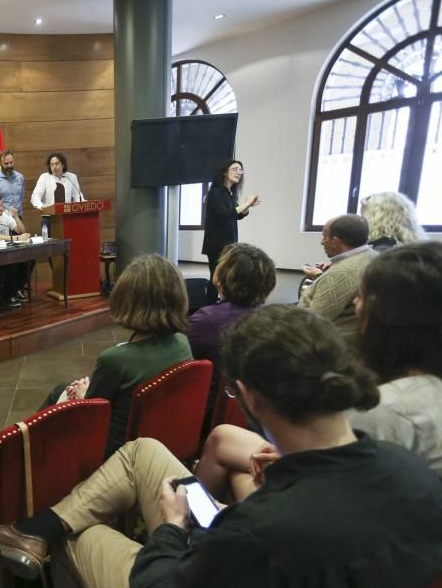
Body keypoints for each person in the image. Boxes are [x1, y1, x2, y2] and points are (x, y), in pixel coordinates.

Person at [0, 305, 442, 588]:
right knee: (143, 452)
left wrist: (169, 530)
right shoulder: (412, 473)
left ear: (250, 396)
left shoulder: (260, 531)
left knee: (85, 539)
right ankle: (33, 531)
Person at [198, 243, 442, 504]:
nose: (356, 305)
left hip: (333, 517)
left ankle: (201, 527)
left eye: (361, 296)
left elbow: (326, 496)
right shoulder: (420, 389)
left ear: (386, 316)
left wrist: (287, 465)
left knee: (239, 469)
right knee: (225, 438)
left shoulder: (387, 411)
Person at [41, 254, 192, 458]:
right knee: (60, 390)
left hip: (114, 452)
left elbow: (90, 417)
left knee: (61, 393)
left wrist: (83, 395)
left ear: (127, 300)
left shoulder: (114, 359)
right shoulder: (182, 343)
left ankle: (21, 451)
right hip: (159, 439)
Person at [188, 243, 276, 415]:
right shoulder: (272, 317)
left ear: (222, 277)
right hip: (255, 412)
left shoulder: (207, 320)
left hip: (209, 412)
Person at [302, 191, 426, 278]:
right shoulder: (410, 245)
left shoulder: (384, 249)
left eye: (363, 216)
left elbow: (358, 285)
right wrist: (335, 267)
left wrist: (320, 275)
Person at [298, 213, 376, 341]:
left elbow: (311, 323)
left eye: (324, 237)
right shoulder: (373, 256)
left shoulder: (340, 275)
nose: (322, 242)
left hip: (331, 345)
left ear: (336, 242)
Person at [201, 159, 260, 286]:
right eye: (235, 169)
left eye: (240, 170)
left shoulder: (230, 194)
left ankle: (223, 303)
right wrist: (246, 203)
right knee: (216, 278)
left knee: (227, 278)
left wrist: (248, 206)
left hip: (229, 243)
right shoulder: (215, 193)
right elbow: (225, 214)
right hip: (217, 244)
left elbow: (237, 215)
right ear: (224, 173)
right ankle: (210, 304)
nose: (239, 173)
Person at [0, 194, 32, 309]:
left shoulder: (4, 215)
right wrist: (17, 238)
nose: (1, 208)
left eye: (2, 205)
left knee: (29, 260)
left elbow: (21, 230)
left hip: (7, 250)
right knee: (11, 263)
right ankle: (7, 296)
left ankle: (16, 289)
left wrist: (16, 217)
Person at [361, 190, 427, 250]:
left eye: (363, 216)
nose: (361, 221)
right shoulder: (416, 242)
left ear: (377, 218)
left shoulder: (380, 248)